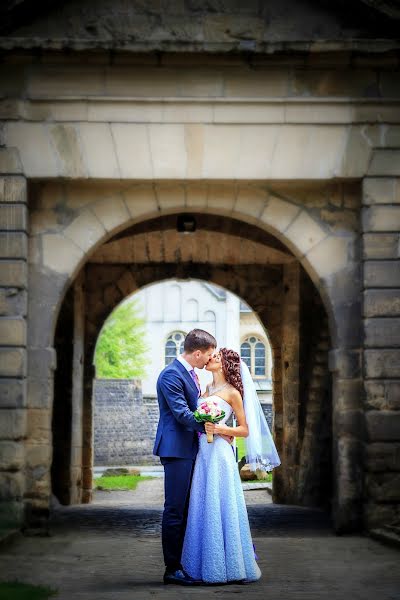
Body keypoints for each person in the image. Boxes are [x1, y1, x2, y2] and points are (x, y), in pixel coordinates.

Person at [181, 347, 281, 584]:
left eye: (216, 357)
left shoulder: (233, 392)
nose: (211, 359)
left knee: (221, 503)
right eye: (212, 356)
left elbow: (244, 429)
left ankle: (230, 566)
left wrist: (221, 429)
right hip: (203, 452)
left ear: (225, 365)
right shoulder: (206, 389)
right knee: (203, 502)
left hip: (220, 453)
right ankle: (200, 564)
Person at [153, 328, 217, 586]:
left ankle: (185, 563)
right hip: (176, 449)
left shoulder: (190, 374)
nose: (209, 360)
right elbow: (181, 413)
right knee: (175, 509)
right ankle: (172, 568)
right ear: (198, 353)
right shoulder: (171, 375)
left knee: (189, 508)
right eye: (209, 355)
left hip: (189, 448)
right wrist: (211, 426)